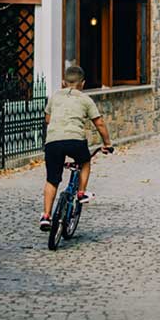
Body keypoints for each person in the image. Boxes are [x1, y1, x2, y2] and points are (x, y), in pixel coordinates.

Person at [40, 64, 112, 232]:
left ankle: (46, 216)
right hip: (75, 140)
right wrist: (108, 143)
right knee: (85, 161)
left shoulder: (55, 96)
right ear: (83, 83)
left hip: (53, 142)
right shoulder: (85, 99)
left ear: (64, 82)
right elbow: (99, 123)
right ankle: (81, 193)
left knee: (52, 179)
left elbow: (48, 119)